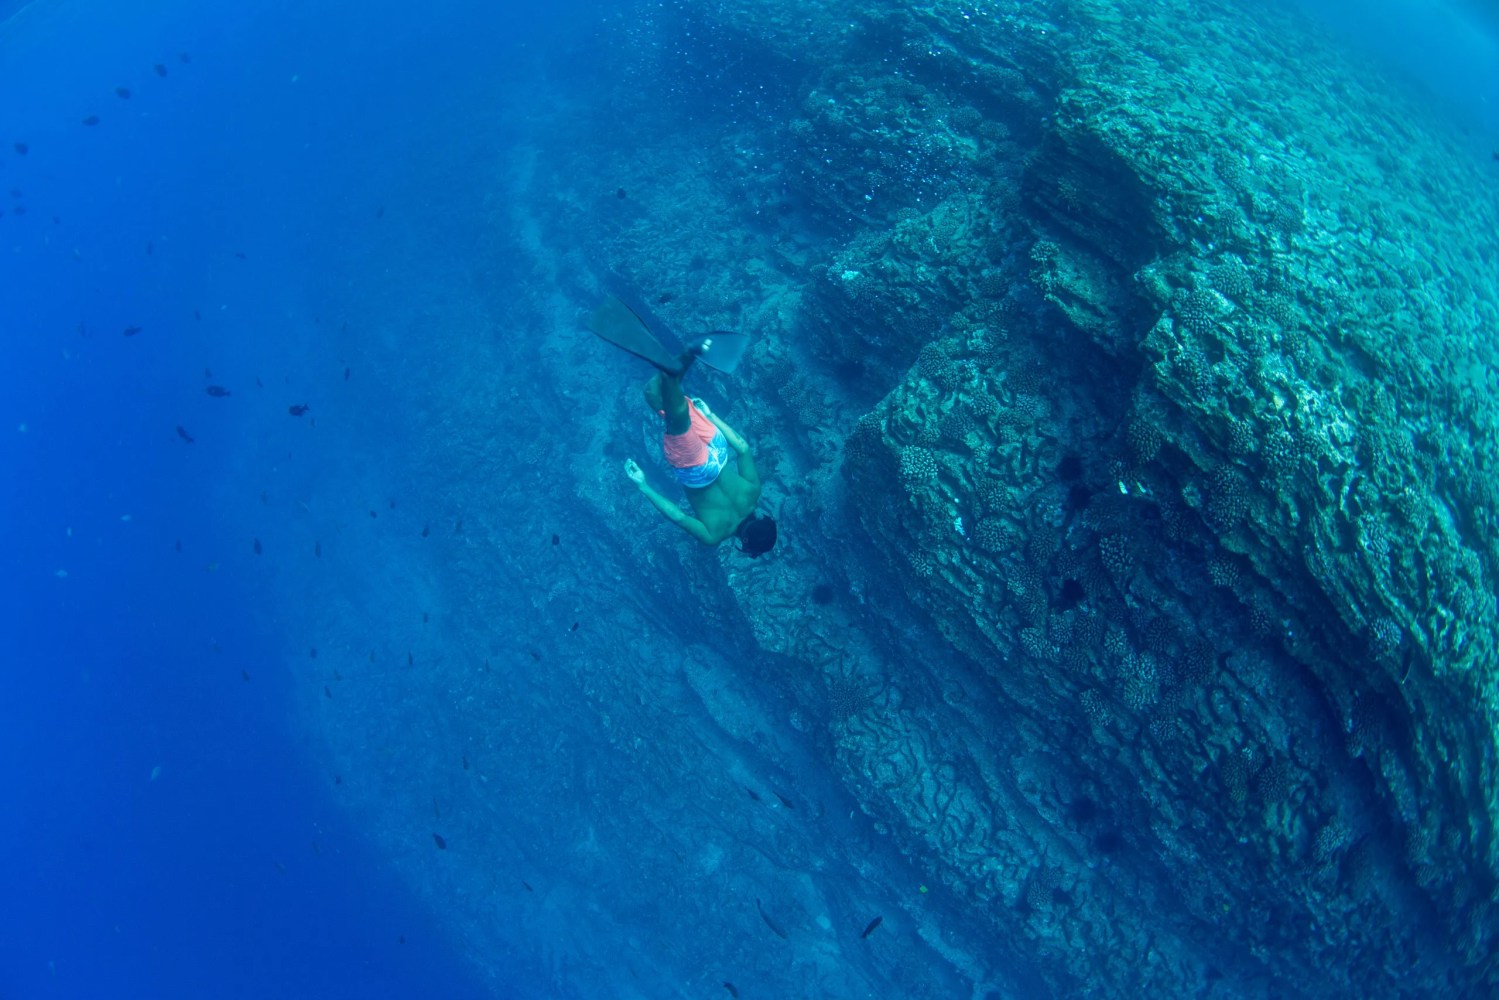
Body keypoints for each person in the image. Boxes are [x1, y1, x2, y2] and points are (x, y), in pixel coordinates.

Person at [624, 348, 776, 555]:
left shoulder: (753, 493)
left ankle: (683, 361)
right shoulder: (714, 536)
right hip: (699, 471)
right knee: (676, 416)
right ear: (746, 541)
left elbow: (742, 447)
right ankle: (679, 365)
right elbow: (677, 516)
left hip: (718, 448)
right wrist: (643, 485)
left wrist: (710, 415)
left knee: (653, 395)